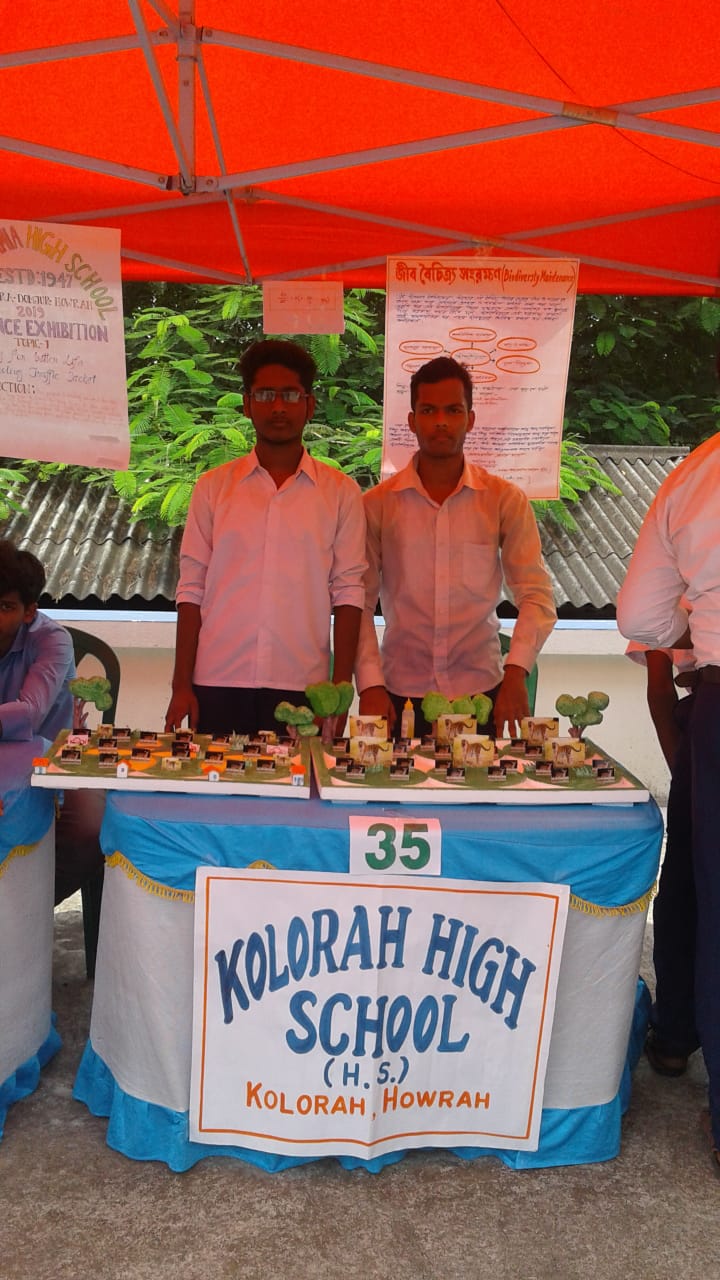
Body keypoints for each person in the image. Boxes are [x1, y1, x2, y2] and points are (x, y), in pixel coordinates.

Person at [165, 339, 367, 737]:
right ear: (246, 404)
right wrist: (180, 685)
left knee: (302, 780)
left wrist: (340, 692)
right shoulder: (212, 488)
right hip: (217, 682)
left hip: (305, 687)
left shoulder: (341, 493)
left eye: (290, 395)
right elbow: (191, 590)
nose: (278, 407)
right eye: (265, 395)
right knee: (216, 777)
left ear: (310, 405)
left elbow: (348, 593)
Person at [355, 356, 556, 738]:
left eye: (453, 410)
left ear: (470, 419)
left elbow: (536, 595)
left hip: (483, 692)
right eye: (428, 411)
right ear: (412, 420)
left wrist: (516, 672)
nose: (441, 422)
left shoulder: (503, 500)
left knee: (481, 780)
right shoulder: (377, 505)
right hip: (398, 696)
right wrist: (369, 684)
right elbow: (359, 601)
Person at [617, 429, 720, 1174]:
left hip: (715, 708)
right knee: (688, 877)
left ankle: (681, 1033)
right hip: (700, 720)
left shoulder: (696, 473)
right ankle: (677, 1029)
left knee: (704, 889)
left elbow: (645, 620)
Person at [0, 538, 104, 904]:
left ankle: (30, 910)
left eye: (5, 607)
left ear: (30, 611)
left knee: (91, 827)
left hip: (60, 763)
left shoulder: (53, 640)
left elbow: (30, 712)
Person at [626, 637, 699, 1079]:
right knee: (683, 900)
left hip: (705, 730)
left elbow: (659, 688)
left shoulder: (670, 596)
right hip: (702, 734)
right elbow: (660, 686)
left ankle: (674, 1036)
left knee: (683, 900)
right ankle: (673, 1033)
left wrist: (689, 774)